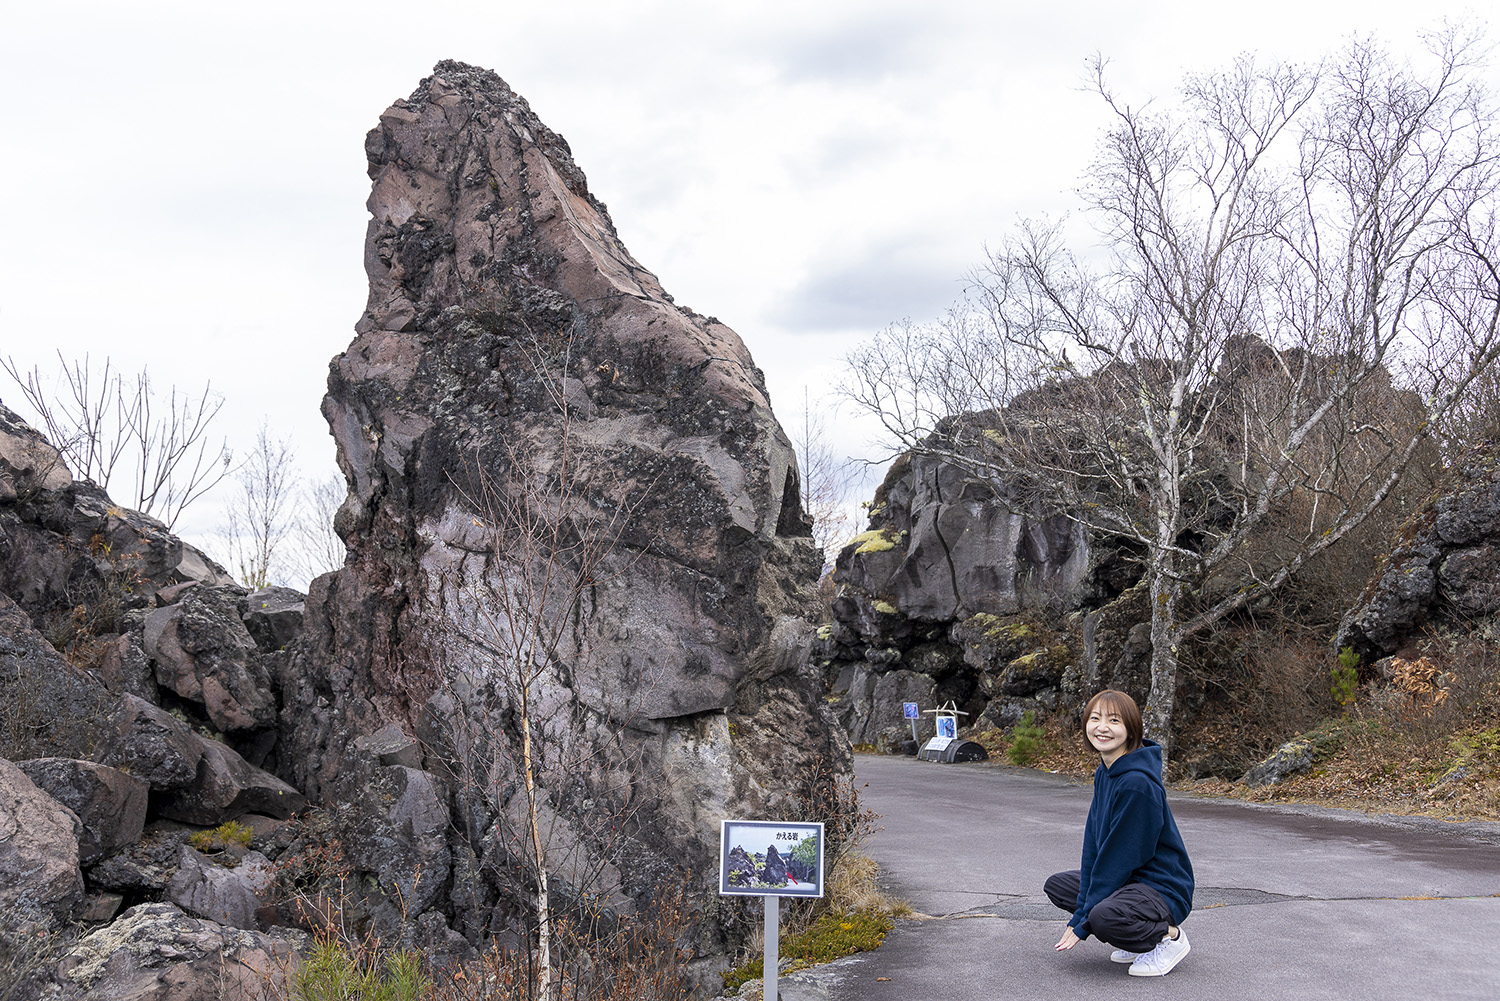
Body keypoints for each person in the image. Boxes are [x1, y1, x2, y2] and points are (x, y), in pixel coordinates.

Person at [1045, 689, 1195, 977]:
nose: (1102, 727)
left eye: (1114, 720)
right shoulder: (1106, 772)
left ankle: (1168, 937)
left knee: (1102, 916)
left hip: (1163, 887)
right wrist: (1081, 912)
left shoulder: (1137, 783)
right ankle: (1135, 936)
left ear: (1130, 729)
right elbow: (1094, 846)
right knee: (1059, 886)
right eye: (1095, 718)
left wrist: (1085, 922)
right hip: (1131, 882)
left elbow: (1119, 858)